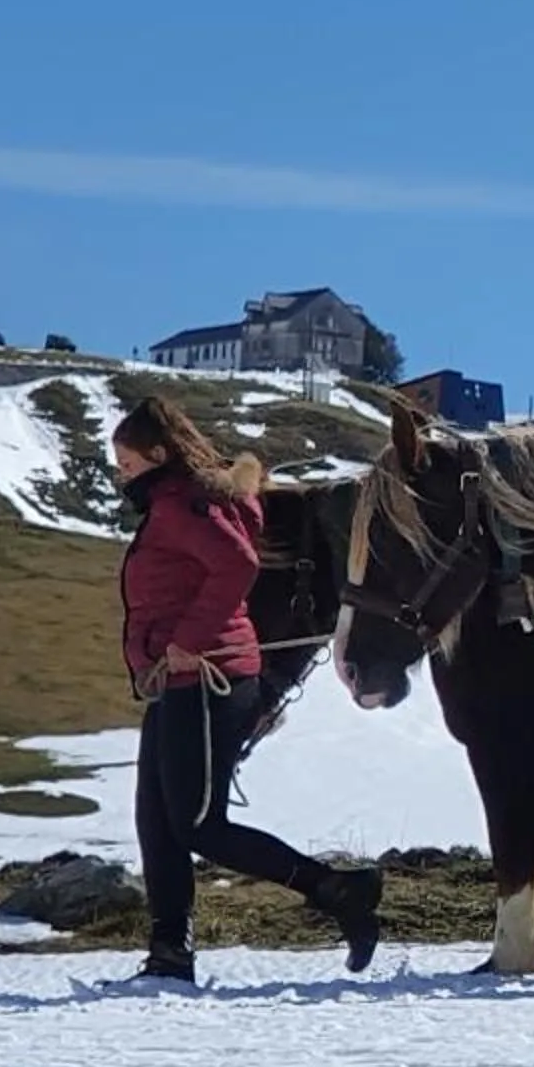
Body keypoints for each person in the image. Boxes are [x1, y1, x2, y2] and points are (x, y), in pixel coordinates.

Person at [111, 396, 383, 983]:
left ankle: (339, 891)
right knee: (156, 820)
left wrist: (188, 639)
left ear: (158, 456)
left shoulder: (185, 505)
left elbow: (236, 566)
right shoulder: (174, 502)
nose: (121, 476)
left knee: (199, 826)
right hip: (177, 682)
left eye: (127, 464)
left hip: (207, 678)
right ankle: (169, 954)